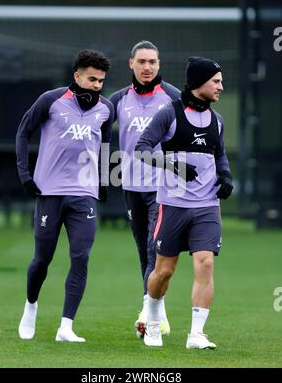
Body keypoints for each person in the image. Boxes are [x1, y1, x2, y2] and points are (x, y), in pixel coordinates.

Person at [135, 56, 233, 348]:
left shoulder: (217, 120)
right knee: (164, 271)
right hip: (173, 205)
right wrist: (173, 165)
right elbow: (141, 149)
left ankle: (196, 334)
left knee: (205, 264)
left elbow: (220, 155)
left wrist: (226, 177)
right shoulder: (169, 113)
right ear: (199, 82)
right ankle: (152, 320)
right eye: (216, 81)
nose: (221, 87)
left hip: (207, 206)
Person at [16, 49, 113, 342]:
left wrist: (104, 182)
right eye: (92, 79)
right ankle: (31, 306)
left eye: (101, 81)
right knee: (42, 259)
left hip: (84, 195)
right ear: (77, 76)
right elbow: (23, 132)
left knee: (81, 257)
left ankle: (66, 326)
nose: (97, 85)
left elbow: (104, 145)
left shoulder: (106, 109)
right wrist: (25, 175)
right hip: (50, 193)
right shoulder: (51, 100)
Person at [109, 41, 180, 338]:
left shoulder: (174, 97)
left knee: (155, 249)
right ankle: (155, 313)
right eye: (142, 61)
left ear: (159, 64)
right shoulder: (117, 99)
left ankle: (147, 315)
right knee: (143, 251)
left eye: (152, 61)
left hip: (162, 186)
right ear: (131, 64)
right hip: (131, 185)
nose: (147, 67)